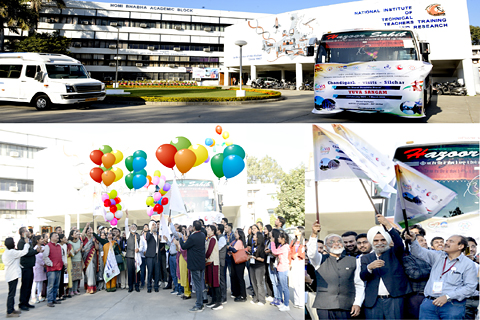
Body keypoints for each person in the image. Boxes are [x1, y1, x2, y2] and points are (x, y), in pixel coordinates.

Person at [405, 232, 478, 320]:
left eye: (451, 241)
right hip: (429, 304)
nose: (446, 243)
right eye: (446, 241)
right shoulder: (437, 255)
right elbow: (418, 252)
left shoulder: (468, 264)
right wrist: (413, 240)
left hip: (452, 305)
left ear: (460, 246)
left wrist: (447, 296)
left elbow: (470, 287)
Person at [307, 222, 364, 319]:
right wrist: (314, 234)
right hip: (324, 306)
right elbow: (311, 253)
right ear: (325, 247)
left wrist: (357, 303)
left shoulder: (354, 261)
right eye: (332, 242)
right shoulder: (320, 260)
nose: (336, 244)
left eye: (339, 241)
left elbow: (359, 283)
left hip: (346, 306)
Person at [360, 215, 412, 319]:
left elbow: (398, 243)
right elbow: (362, 276)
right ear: (371, 242)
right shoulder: (366, 258)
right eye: (376, 241)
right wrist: (369, 268)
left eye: (383, 240)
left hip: (394, 299)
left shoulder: (394, 253)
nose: (380, 243)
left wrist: (387, 225)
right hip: (373, 301)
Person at [402, 228, 432, 320]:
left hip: (433, 296)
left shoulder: (432, 256)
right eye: (421, 241)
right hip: (418, 296)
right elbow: (415, 274)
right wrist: (433, 270)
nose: (425, 242)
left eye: (425, 240)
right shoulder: (409, 258)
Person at [180, 220, 206, 313]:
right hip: (201, 263)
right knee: (200, 283)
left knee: (198, 284)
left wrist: (181, 239)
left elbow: (183, 246)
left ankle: (199, 305)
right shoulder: (202, 235)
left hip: (194, 264)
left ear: (194, 227)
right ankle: (201, 301)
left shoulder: (193, 237)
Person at [3, 237, 30, 317]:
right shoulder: (12, 252)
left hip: (10, 274)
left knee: (12, 293)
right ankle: (9, 311)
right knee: (11, 294)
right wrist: (27, 243)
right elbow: (24, 252)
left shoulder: (7, 252)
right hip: (12, 275)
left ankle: (12, 309)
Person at [17, 227, 41, 311]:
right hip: (25, 266)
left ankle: (26, 302)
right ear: (22, 233)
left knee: (29, 285)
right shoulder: (21, 242)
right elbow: (25, 253)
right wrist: (36, 251)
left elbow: (30, 250)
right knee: (25, 285)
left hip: (30, 266)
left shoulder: (28, 241)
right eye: (26, 231)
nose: (28, 232)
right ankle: (22, 303)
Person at [270, 229, 290, 311]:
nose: (278, 239)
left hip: (283, 269)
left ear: (283, 239)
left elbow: (274, 251)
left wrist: (272, 242)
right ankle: (283, 303)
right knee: (281, 286)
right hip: (279, 268)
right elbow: (276, 253)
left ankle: (286, 305)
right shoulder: (281, 246)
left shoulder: (285, 247)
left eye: (279, 238)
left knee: (285, 287)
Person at [125, 210, 144, 293]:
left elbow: (142, 246)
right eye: (131, 226)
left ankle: (137, 286)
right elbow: (126, 225)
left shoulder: (139, 236)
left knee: (137, 272)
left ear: (136, 229)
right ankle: (130, 286)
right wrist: (127, 216)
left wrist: (138, 249)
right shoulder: (128, 234)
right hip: (129, 256)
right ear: (129, 228)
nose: (133, 227)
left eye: (134, 227)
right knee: (130, 272)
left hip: (137, 256)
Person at [43, 232, 64, 307]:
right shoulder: (48, 246)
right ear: (51, 238)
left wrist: (62, 263)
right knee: (50, 285)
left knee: (56, 285)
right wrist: (50, 264)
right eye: (56, 236)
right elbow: (45, 256)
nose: (57, 237)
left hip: (59, 267)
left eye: (58, 236)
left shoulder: (59, 246)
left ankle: (54, 298)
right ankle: (50, 300)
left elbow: (62, 256)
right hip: (51, 269)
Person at [205, 225, 222, 310]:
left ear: (212, 231)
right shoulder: (209, 238)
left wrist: (205, 257)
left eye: (208, 229)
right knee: (211, 283)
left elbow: (209, 251)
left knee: (215, 282)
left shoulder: (213, 239)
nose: (207, 230)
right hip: (209, 263)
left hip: (213, 263)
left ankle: (218, 302)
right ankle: (213, 300)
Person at [228, 228, 247, 303]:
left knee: (240, 278)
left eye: (236, 233)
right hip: (237, 262)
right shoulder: (236, 241)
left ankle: (243, 295)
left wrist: (229, 247)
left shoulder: (239, 241)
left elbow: (234, 250)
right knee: (237, 277)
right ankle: (239, 293)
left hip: (239, 262)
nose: (235, 234)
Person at [289, 226, 305, 308]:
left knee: (300, 283)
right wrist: (290, 261)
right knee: (295, 282)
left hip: (300, 261)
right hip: (294, 261)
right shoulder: (293, 241)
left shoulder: (304, 241)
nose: (295, 231)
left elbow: (304, 252)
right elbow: (290, 251)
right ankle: (296, 301)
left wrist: (298, 254)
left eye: (296, 230)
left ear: (300, 232)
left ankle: (301, 302)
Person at [249, 231, 267, 306]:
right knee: (253, 282)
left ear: (258, 238)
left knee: (259, 283)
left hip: (259, 266)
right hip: (252, 265)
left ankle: (262, 299)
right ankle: (256, 297)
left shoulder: (262, 247)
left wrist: (254, 257)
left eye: (255, 235)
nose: (253, 236)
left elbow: (262, 259)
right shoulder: (253, 245)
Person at [81, 223, 98, 294]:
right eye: (88, 232)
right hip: (85, 257)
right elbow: (82, 235)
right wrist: (86, 226)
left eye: (90, 232)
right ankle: (87, 286)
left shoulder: (94, 239)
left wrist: (95, 242)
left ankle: (91, 287)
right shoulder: (84, 239)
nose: (89, 233)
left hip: (92, 257)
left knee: (91, 272)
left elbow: (97, 248)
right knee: (86, 273)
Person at [145, 220, 161, 293]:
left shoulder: (158, 235)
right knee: (150, 272)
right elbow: (147, 239)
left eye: (155, 225)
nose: (155, 226)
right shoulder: (149, 234)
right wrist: (151, 231)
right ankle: (149, 287)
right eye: (153, 225)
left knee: (157, 272)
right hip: (150, 256)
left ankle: (156, 286)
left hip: (157, 256)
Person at [31, 235, 46, 304]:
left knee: (41, 281)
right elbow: (37, 259)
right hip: (37, 266)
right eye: (41, 239)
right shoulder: (35, 248)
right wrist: (43, 264)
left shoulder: (43, 247)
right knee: (35, 282)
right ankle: (33, 296)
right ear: (37, 241)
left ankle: (39, 295)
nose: (42, 240)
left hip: (42, 267)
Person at [68, 229, 83, 295]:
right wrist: (79, 249)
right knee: (72, 277)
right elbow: (71, 252)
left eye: (77, 233)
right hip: (72, 261)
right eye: (75, 233)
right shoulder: (69, 243)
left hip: (79, 260)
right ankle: (71, 290)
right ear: (71, 235)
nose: (77, 234)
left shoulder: (79, 241)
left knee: (77, 277)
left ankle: (75, 289)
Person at [216, 223, 228, 304]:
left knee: (222, 280)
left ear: (219, 231)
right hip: (219, 261)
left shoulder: (222, 238)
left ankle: (223, 297)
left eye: (216, 229)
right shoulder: (219, 238)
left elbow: (217, 248)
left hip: (221, 261)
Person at [139, 224, 149, 289]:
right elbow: (140, 246)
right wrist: (143, 252)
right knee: (142, 271)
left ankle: (149, 283)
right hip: (142, 256)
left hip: (149, 256)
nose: (145, 228)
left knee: (149, 270)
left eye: (146, 227)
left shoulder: (150, 235)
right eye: (144, 227)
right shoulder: (141, 237)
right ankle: (142, 283)